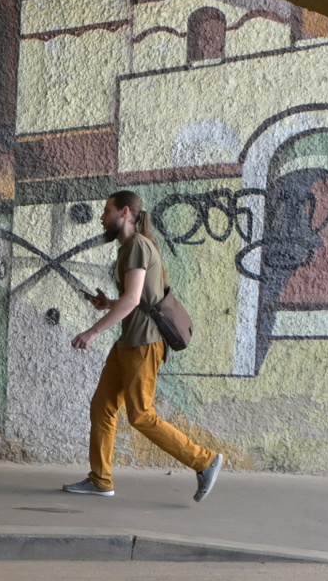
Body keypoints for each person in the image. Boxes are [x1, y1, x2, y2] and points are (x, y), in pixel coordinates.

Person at [62, 190, 223, 502]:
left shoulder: (137, 245)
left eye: (107, 211)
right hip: (129, 342)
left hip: (144, 344)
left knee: (141, 415)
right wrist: (109, 304)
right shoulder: (129, 247)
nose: (102, 217)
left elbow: (134, 299)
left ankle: (204, 461)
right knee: (102, 406)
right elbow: (136, 299)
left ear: (124, 213)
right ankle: (100, 479)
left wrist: (94, 331)